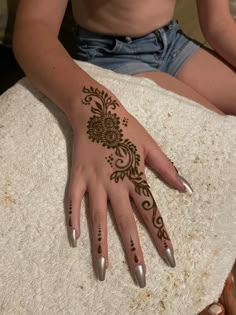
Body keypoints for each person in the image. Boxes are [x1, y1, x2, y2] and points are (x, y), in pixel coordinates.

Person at [13, 1, 236, 314]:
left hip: (174, 44)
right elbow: (33, 27)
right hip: (109, 54)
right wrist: (94, 109)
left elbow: (219, 24)